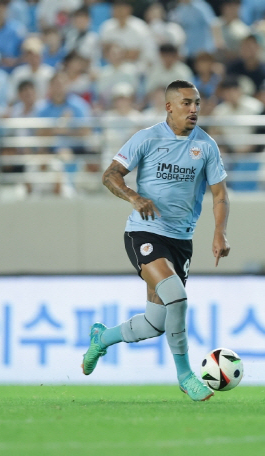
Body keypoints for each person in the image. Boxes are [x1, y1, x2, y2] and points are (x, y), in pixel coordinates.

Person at [83, 79, 230, 402]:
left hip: (182, 240)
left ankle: (101, 338)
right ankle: (185, 376)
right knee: (176, 297)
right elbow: (110, 175)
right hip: (145, 232)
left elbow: (219, 193)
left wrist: (219, 231)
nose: (193, 110)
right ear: (169, 106)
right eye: (187, 103)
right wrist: (134, 197)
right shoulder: (146, 139)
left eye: (197, 104)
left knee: (156, 323)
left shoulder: (205, 146)